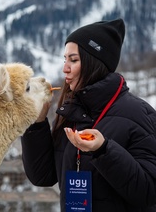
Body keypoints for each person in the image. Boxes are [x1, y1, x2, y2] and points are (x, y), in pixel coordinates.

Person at [21, 18, 156, 212]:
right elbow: (42, 176)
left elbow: (149, 192)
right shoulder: (71, 112)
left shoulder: (139, 114)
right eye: (64, 59)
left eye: (73, 60)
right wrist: (36, 123)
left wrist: (104, 150)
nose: (65, 68)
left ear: (94, 63)